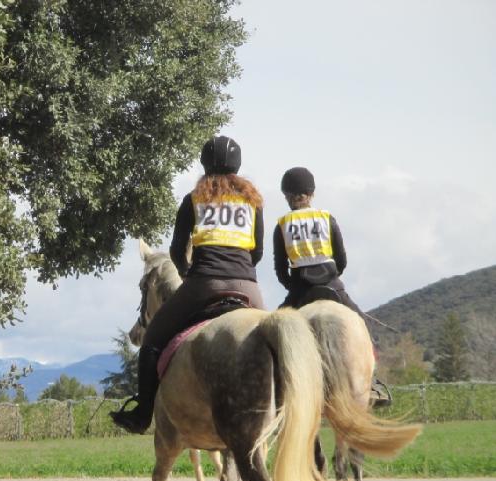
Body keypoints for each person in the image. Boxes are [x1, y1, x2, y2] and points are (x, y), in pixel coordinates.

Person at [110, 136, 265, 434]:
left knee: (153, 339)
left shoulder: (193, 200)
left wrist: (187, 274)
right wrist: (242, 273)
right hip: (248, 287)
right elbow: (256, 252)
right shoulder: (252, 202)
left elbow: (177, 249)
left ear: (204, 164)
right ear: (238, 165)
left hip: (203, 285)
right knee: (276, 342)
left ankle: (142, 414)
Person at [273, 166, 391, 407]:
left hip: (299, 290)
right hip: (332, 286)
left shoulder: (283, 224)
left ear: (287, 195)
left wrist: (292, 286)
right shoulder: (327, 218)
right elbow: (342, 259)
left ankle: (273, 386)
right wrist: (332, 277)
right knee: (363, 327)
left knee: (271, 333)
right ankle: (372, 384)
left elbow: (279, 268)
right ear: (312, 193)